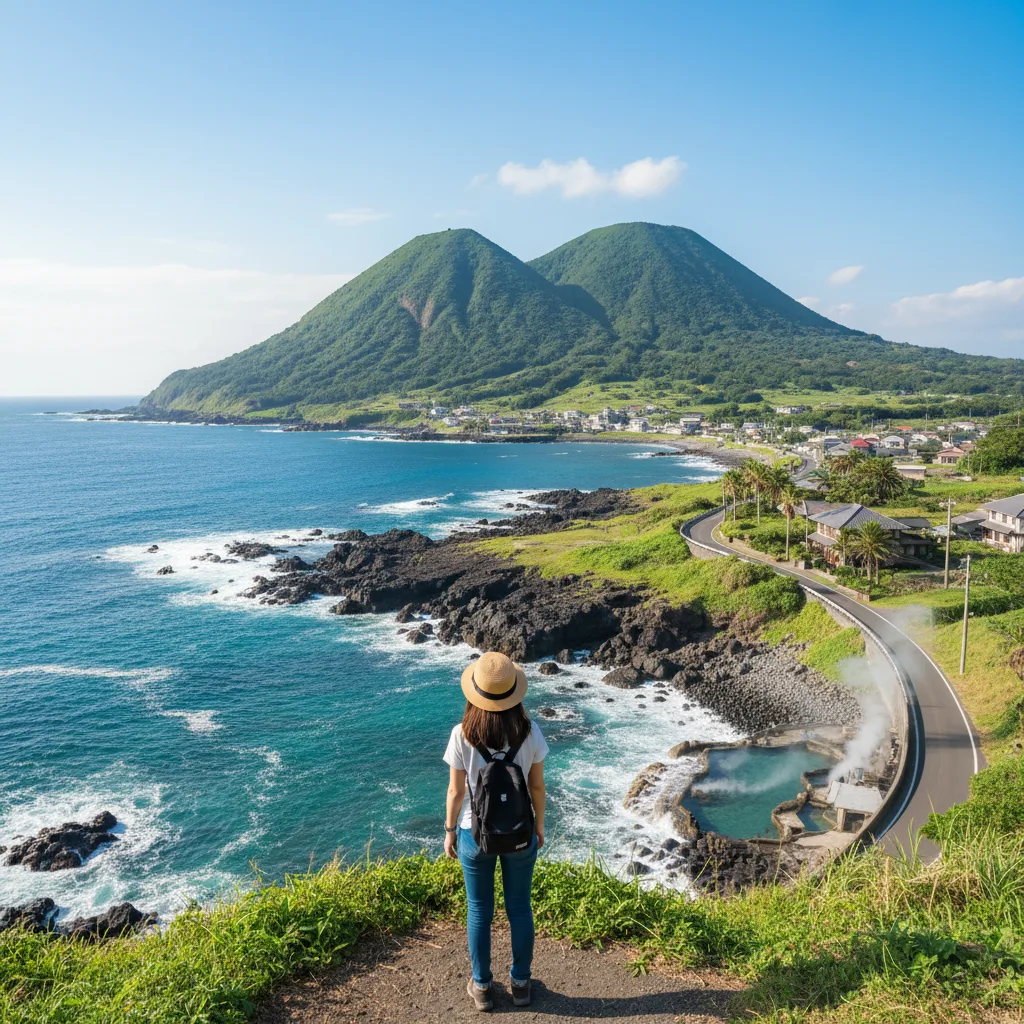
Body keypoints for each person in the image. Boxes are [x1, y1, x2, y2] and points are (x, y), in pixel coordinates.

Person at [444, 651, 548, 1012]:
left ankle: (483, 988)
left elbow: (457, 792)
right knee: (520, 908)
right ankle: (521, 984)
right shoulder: (530, 731)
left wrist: (449, 831)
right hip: (520, 833)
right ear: (514, 692)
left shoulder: (462, 734)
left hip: (476, 834)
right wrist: (539, 826)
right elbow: (537, 788)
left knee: (479, 911)